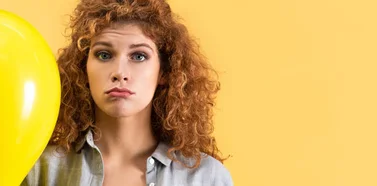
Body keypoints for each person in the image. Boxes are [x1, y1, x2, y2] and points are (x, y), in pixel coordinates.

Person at [22, 0, 233, 185]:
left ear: (164, 72)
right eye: (104, 55)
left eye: (139, 56)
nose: (120, 73)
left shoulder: (207, 178)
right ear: (83, 68)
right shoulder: (42, 171)